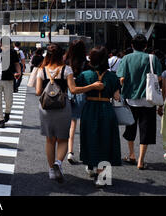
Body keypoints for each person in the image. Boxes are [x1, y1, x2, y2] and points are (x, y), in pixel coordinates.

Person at [35, 43, 104, 183]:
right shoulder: (66, 69)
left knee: (49, 139)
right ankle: (58, 164)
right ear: (62, 55)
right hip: (62, 106)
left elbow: (37, 91)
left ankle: (51, 170)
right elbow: (73, 90)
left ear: (47, 55)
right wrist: (92, 86)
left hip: (45, 108)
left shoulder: (41, 70)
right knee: (63, 138)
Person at [77, 47, 122, 187]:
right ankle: (102, 175)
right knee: (105, 140)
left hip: (89, 109)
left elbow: (76, 90)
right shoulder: (112, 77)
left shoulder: (85, 75)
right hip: (106, 109)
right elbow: (117, 97)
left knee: (90, 137)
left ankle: (91, 167)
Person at [117, 34, 162, 170]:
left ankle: (131, 155)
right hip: (148, 100)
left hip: (131, 99)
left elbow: (121, 78)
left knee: (130, 129)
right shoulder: (152, 58)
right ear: (146, 46)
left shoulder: (126, 58)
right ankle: (141, 161)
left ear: (132, 45)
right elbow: (159, 77)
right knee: (145, 131)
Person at [64, 40, 89, 165]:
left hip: (70, 94)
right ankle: (84, 150)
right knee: (84, 124)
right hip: (83, 93)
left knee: (72, 124)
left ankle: (70, 151)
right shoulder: (86, 63)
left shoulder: (66, 61)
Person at [0, 37, 21, 128]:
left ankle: (7, 113)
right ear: (0, 44)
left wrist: (19, 72)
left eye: (8, 44)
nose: (6, 46)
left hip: (9, 79)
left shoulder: (13, 53)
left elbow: (16, 64)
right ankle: (1, 119)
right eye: (4, 44)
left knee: (9, 100)